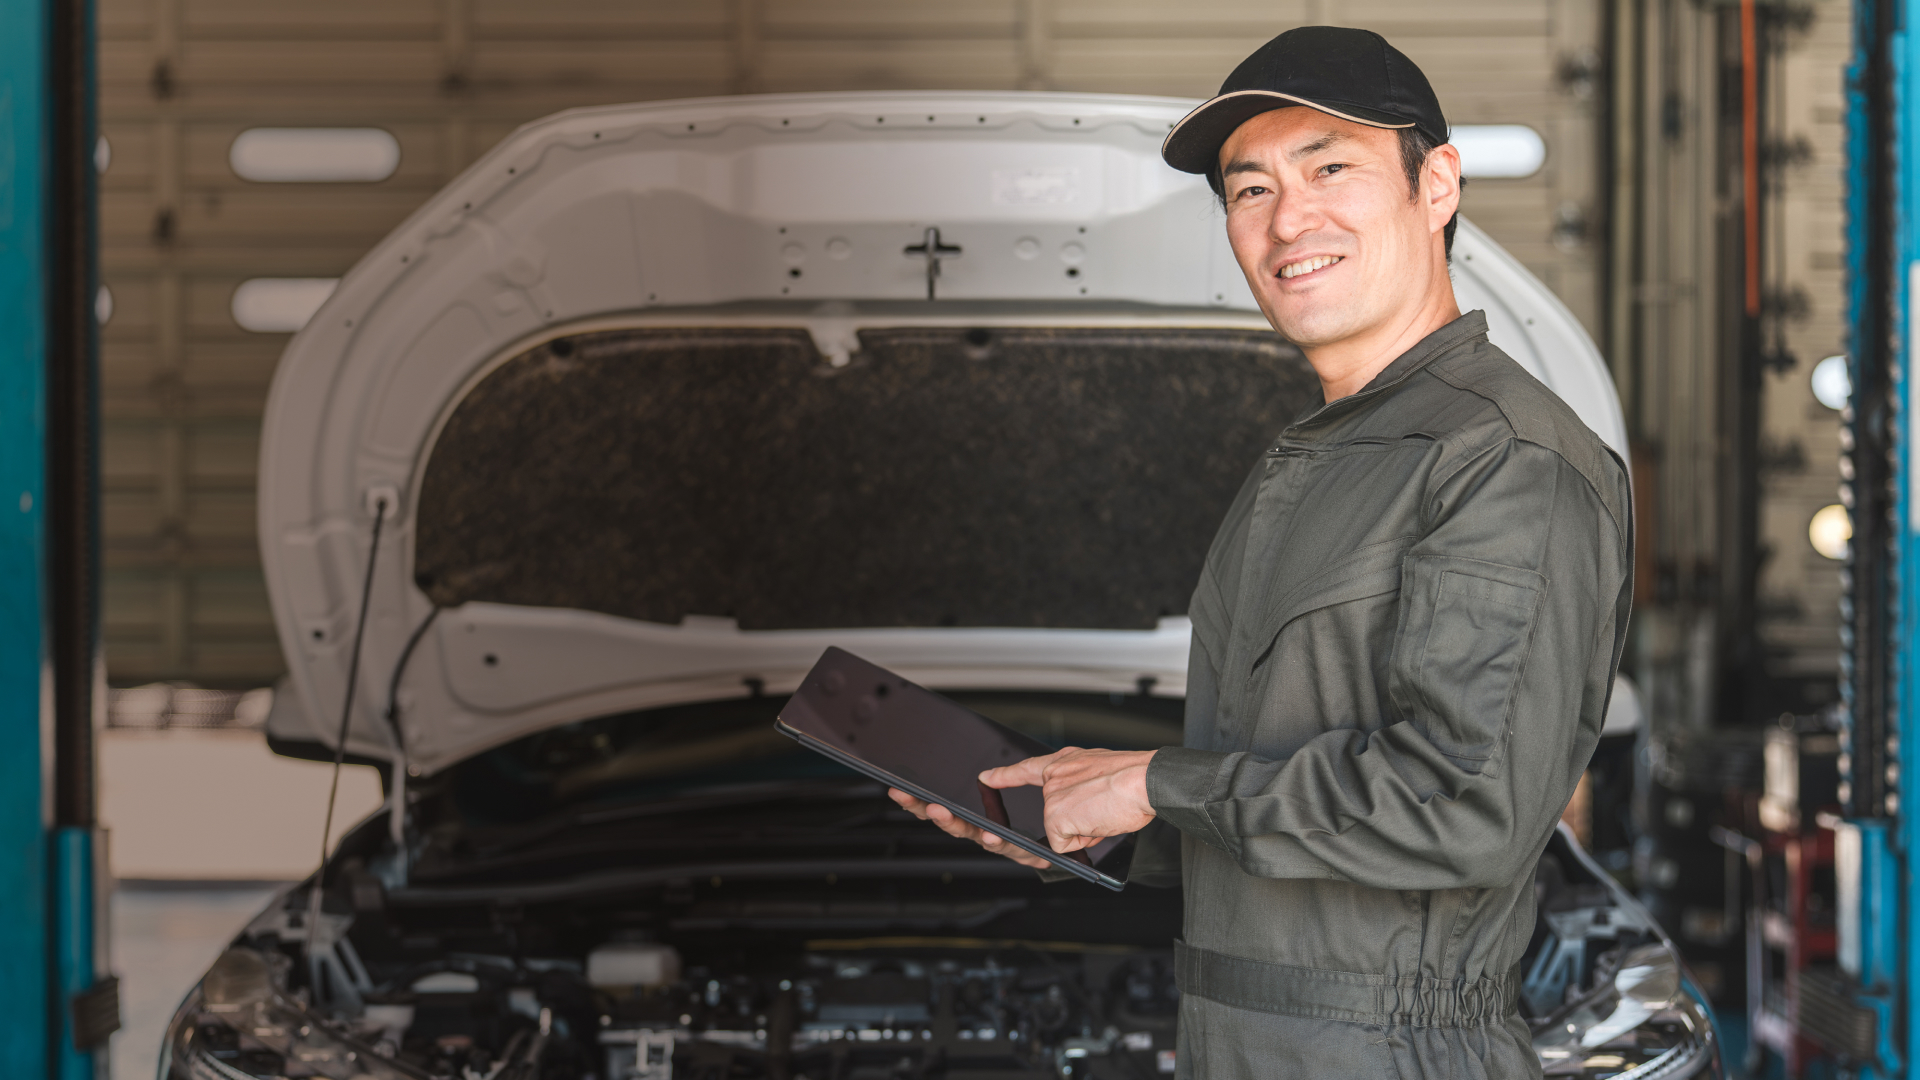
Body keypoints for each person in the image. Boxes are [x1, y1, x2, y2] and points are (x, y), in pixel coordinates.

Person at [890, 25, 1634, 1079]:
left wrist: (1154, 784)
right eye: (1249, 191)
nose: (1291, 220)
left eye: (1330, 168)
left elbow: (1465, 806)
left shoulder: (1502, 460)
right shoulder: (1318, 459)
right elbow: (1277, 807)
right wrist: (1083, 821)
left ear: (1438, 187)